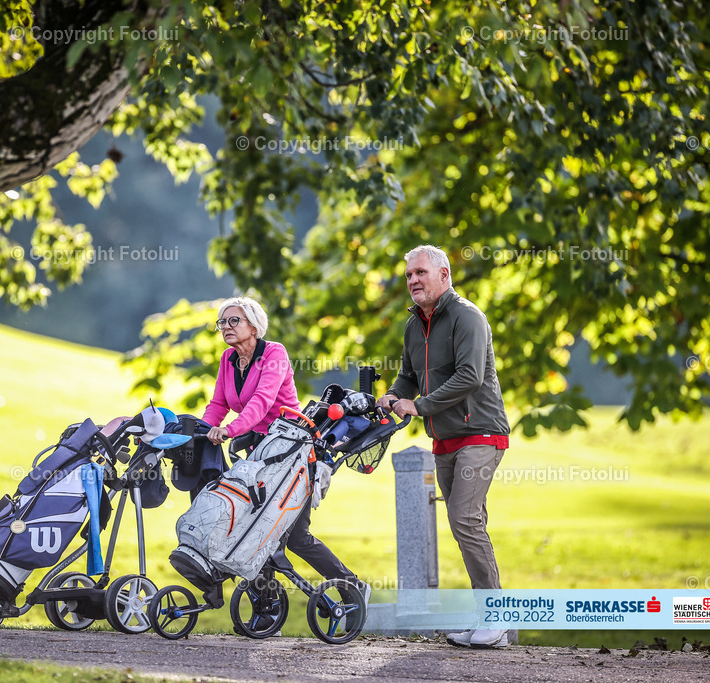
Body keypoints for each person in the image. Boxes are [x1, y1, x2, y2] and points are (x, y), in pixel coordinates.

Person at [378, 245, 511, 649]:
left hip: (481, 434)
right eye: (408, 276)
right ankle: (488, 620)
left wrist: (417, 406)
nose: (413, 280)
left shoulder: (467, 316)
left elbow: (470, 376)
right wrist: (392, 395)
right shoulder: (413, 325)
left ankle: (497, 618)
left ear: (444, 274)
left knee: (464, 518)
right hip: (445, 439)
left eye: (420, 272)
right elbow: (408, 377)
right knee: (465, 525)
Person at [202, 296, 369, 601]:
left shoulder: (275, 353)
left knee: (296, 537)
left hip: (294, 451)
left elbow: (262, 400)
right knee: (254, 527)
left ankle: (353, 588)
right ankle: (267, 608)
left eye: (233, 320)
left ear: (254, 325)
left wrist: (230, 429)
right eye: (222, 322)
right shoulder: (228, 359)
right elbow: (218, 404)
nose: (226, 326)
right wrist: (201, 432)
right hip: (259, 453)